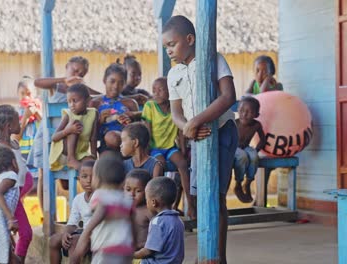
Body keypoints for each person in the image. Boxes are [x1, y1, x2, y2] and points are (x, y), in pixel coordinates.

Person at [162, 15, 238, 264]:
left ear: (190, 39)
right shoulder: (174, 75)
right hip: (198, 137)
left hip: (222, 130)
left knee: (215, 195)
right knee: (200, 194)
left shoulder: (213, 60)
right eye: (166, 47)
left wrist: (197, 121)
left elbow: (228, 97)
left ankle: (219, 257)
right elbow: (176, 113)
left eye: (172, 44)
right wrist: (188, 127)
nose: (169, 50)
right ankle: (206, 251)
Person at [31, 56, 94, 211]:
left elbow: (96, 96)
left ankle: (76, 209)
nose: (78, 74)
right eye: (75, 70)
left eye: (82, 73)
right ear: (67, 66)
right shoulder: (57, 86)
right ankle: (45, 213)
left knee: (65, 183)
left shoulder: (81, 91)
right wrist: (64, 79)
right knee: (44, 174)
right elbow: (37, 82)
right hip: (49, 138)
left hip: (68, 143)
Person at [0, 105, 33, 263]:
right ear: (8, 126)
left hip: (16, 196)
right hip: (6, 197)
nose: (21, 123)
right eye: (18, 121)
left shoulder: (14, 143)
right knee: (24, 234)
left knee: (16, 236)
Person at [142, 77, 194, 218]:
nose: (156, 93)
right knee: (160, 164)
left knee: (183, 164)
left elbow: (180, 130)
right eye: (154, 90)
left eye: (160, 90)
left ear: (170, 92)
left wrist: (183, 149)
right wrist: (146, 151)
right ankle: (156, 208)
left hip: (170, 147)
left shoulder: (176, 107)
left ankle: (191, 204)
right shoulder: (150, 106)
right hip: (155, 148)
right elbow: (147, 130)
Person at [72, 157, 135, 264]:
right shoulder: (127, 199)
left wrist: (77, 253)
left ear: (98, 179)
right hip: (126, 251)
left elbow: (92, 225)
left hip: (106, 251)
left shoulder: (101, 197)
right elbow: (134, 225)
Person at [49, 160, 95, 264]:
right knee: (54, 240)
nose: (88, 180)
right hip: (84, 233)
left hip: (96, 235)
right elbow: (72, 222)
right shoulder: (78, 199)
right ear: (79, 179)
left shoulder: (99, 197)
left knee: (73, 241)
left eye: (93, 177)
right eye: (84, 176)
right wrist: (66, 232)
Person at [89, 63, 139, 152]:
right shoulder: (95, 104)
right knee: (111, 138)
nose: (116, 86)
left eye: (121, 83)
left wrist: (129, 121)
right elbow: (90, 135)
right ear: (104, 80)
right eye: (112, 81)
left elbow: (139, 131)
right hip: (105, 147)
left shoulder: (130, 103)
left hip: (129, 148)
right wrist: (100, 121)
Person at [133, 177, 184, 264]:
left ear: (153, 202)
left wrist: (132, 254)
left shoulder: (158, 222)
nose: (146, 203)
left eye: (146, 200)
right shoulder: (178, 220)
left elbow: (148, 251)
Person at [49, 84, 98, 170]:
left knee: (92, 166)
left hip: (81, 154)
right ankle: (71, 159)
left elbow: (93, 138)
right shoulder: (68, 115)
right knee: (74, 125)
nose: (71, 105)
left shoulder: (93, 113)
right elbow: (54, 137)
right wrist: (67, 131)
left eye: (75, 101)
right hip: (64, 153)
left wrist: (93, 157)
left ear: (87, 101)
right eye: (69, 102)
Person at [233, 96, 266, 203]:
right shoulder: (234, 123)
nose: (244, 114)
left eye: (249, 112)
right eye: (241, 110)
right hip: (233, 148)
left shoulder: (256, 125)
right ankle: (238, 184)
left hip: (246, 147)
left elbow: (263, 140)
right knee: (242, 156)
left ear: (256, 115)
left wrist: (256, 150)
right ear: (237, 110)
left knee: (254, 156)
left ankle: (248, 183)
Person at [124, 169, 151, 252]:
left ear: (147, 191)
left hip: (143, 254)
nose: (132, 194)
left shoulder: (149, 211)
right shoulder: (122, 208)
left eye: (138, 191)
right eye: (128, 189)